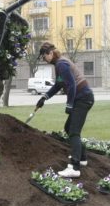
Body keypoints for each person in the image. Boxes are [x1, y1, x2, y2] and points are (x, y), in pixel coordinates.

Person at [35, 41, 95, 178]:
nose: (44, 60)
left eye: (44, 56)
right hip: (81, 98)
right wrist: (44, 97)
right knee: (69, 128)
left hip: (83, 98)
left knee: (73, 131)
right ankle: (82, 157)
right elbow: (58, 85)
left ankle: (74, 167)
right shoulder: (58, 64)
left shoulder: (61, 64)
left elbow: (72, 84)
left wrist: (69, 104)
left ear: (50, 53)